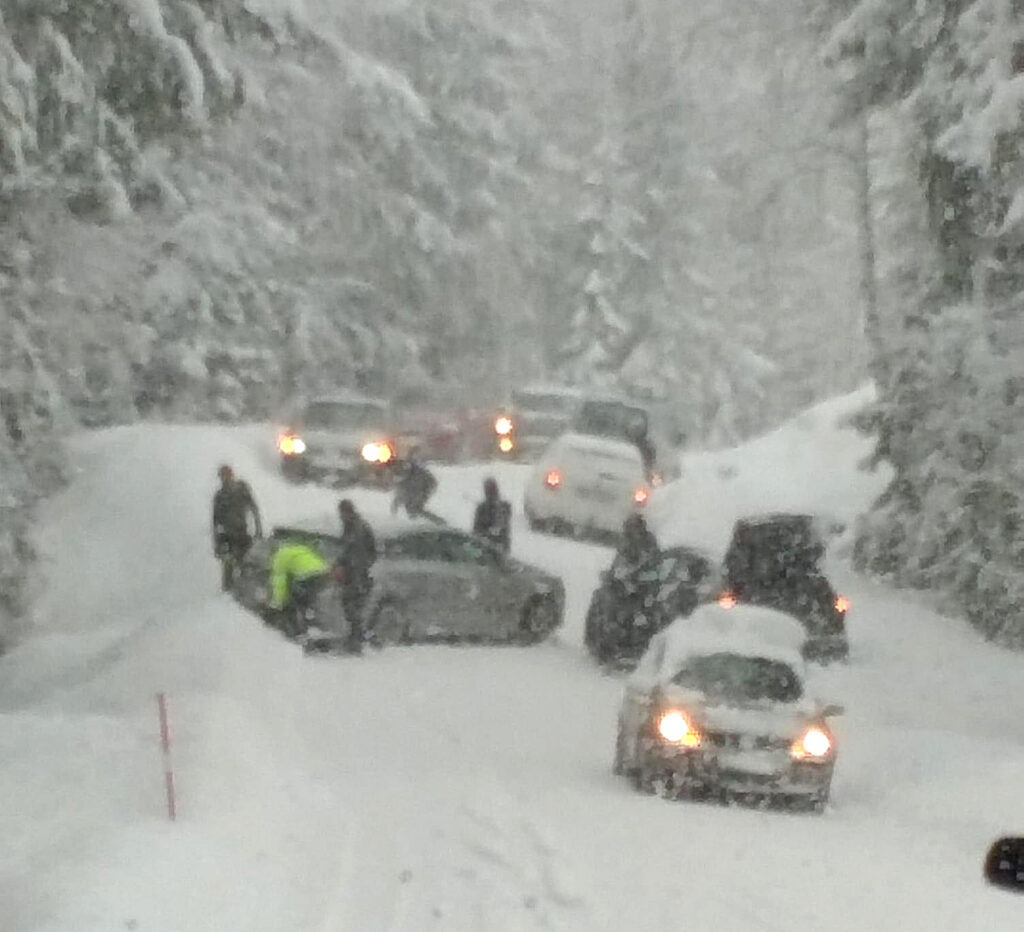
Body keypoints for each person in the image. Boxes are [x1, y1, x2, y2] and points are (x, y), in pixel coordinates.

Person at [265, 537, 329, 638]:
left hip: (307, 576)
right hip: (324, 573)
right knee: (311, 599)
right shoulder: (298, 549)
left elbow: (279, 583)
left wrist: (277, 604)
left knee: (294, 603)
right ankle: (319, 623)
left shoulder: (279, 557)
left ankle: (298, 632)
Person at [336, 499, 378, 654]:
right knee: (352, 608)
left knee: (353, 607)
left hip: (358, 575)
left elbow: (357, 554)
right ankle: (359, 637)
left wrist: (351, 574)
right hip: (355, 573)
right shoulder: (350, 526)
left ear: (348, 512)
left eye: (342, 513)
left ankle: (357, 640)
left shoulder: (357, 528)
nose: (340, 516)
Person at [212, 464, 262, 590]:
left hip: (241, 533)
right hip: (227, 536)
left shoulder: (241, 488)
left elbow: (253, 508)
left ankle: (245, 589)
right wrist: (217, 542)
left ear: (232, 474)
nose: (226, 478)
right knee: (228, 565)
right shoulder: (219, 496)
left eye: (228, 475)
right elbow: (216, 521)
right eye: (223, 476)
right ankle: (228, 592)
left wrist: (258, 529)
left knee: (246, 562)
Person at [391, 446, 439, 519]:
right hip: (414, 488)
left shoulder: (412, 468)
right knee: (411, 508)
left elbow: (428, 481)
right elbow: (400, 485)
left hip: (421, 487)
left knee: (415, 508)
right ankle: (416, 521)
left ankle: (437, 522)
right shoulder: (403, 468)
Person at [472, 477, 511, 554]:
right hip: (491, 546)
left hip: (494, 547)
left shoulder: (503, 507)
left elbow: (477, 530)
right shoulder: (504, 506)